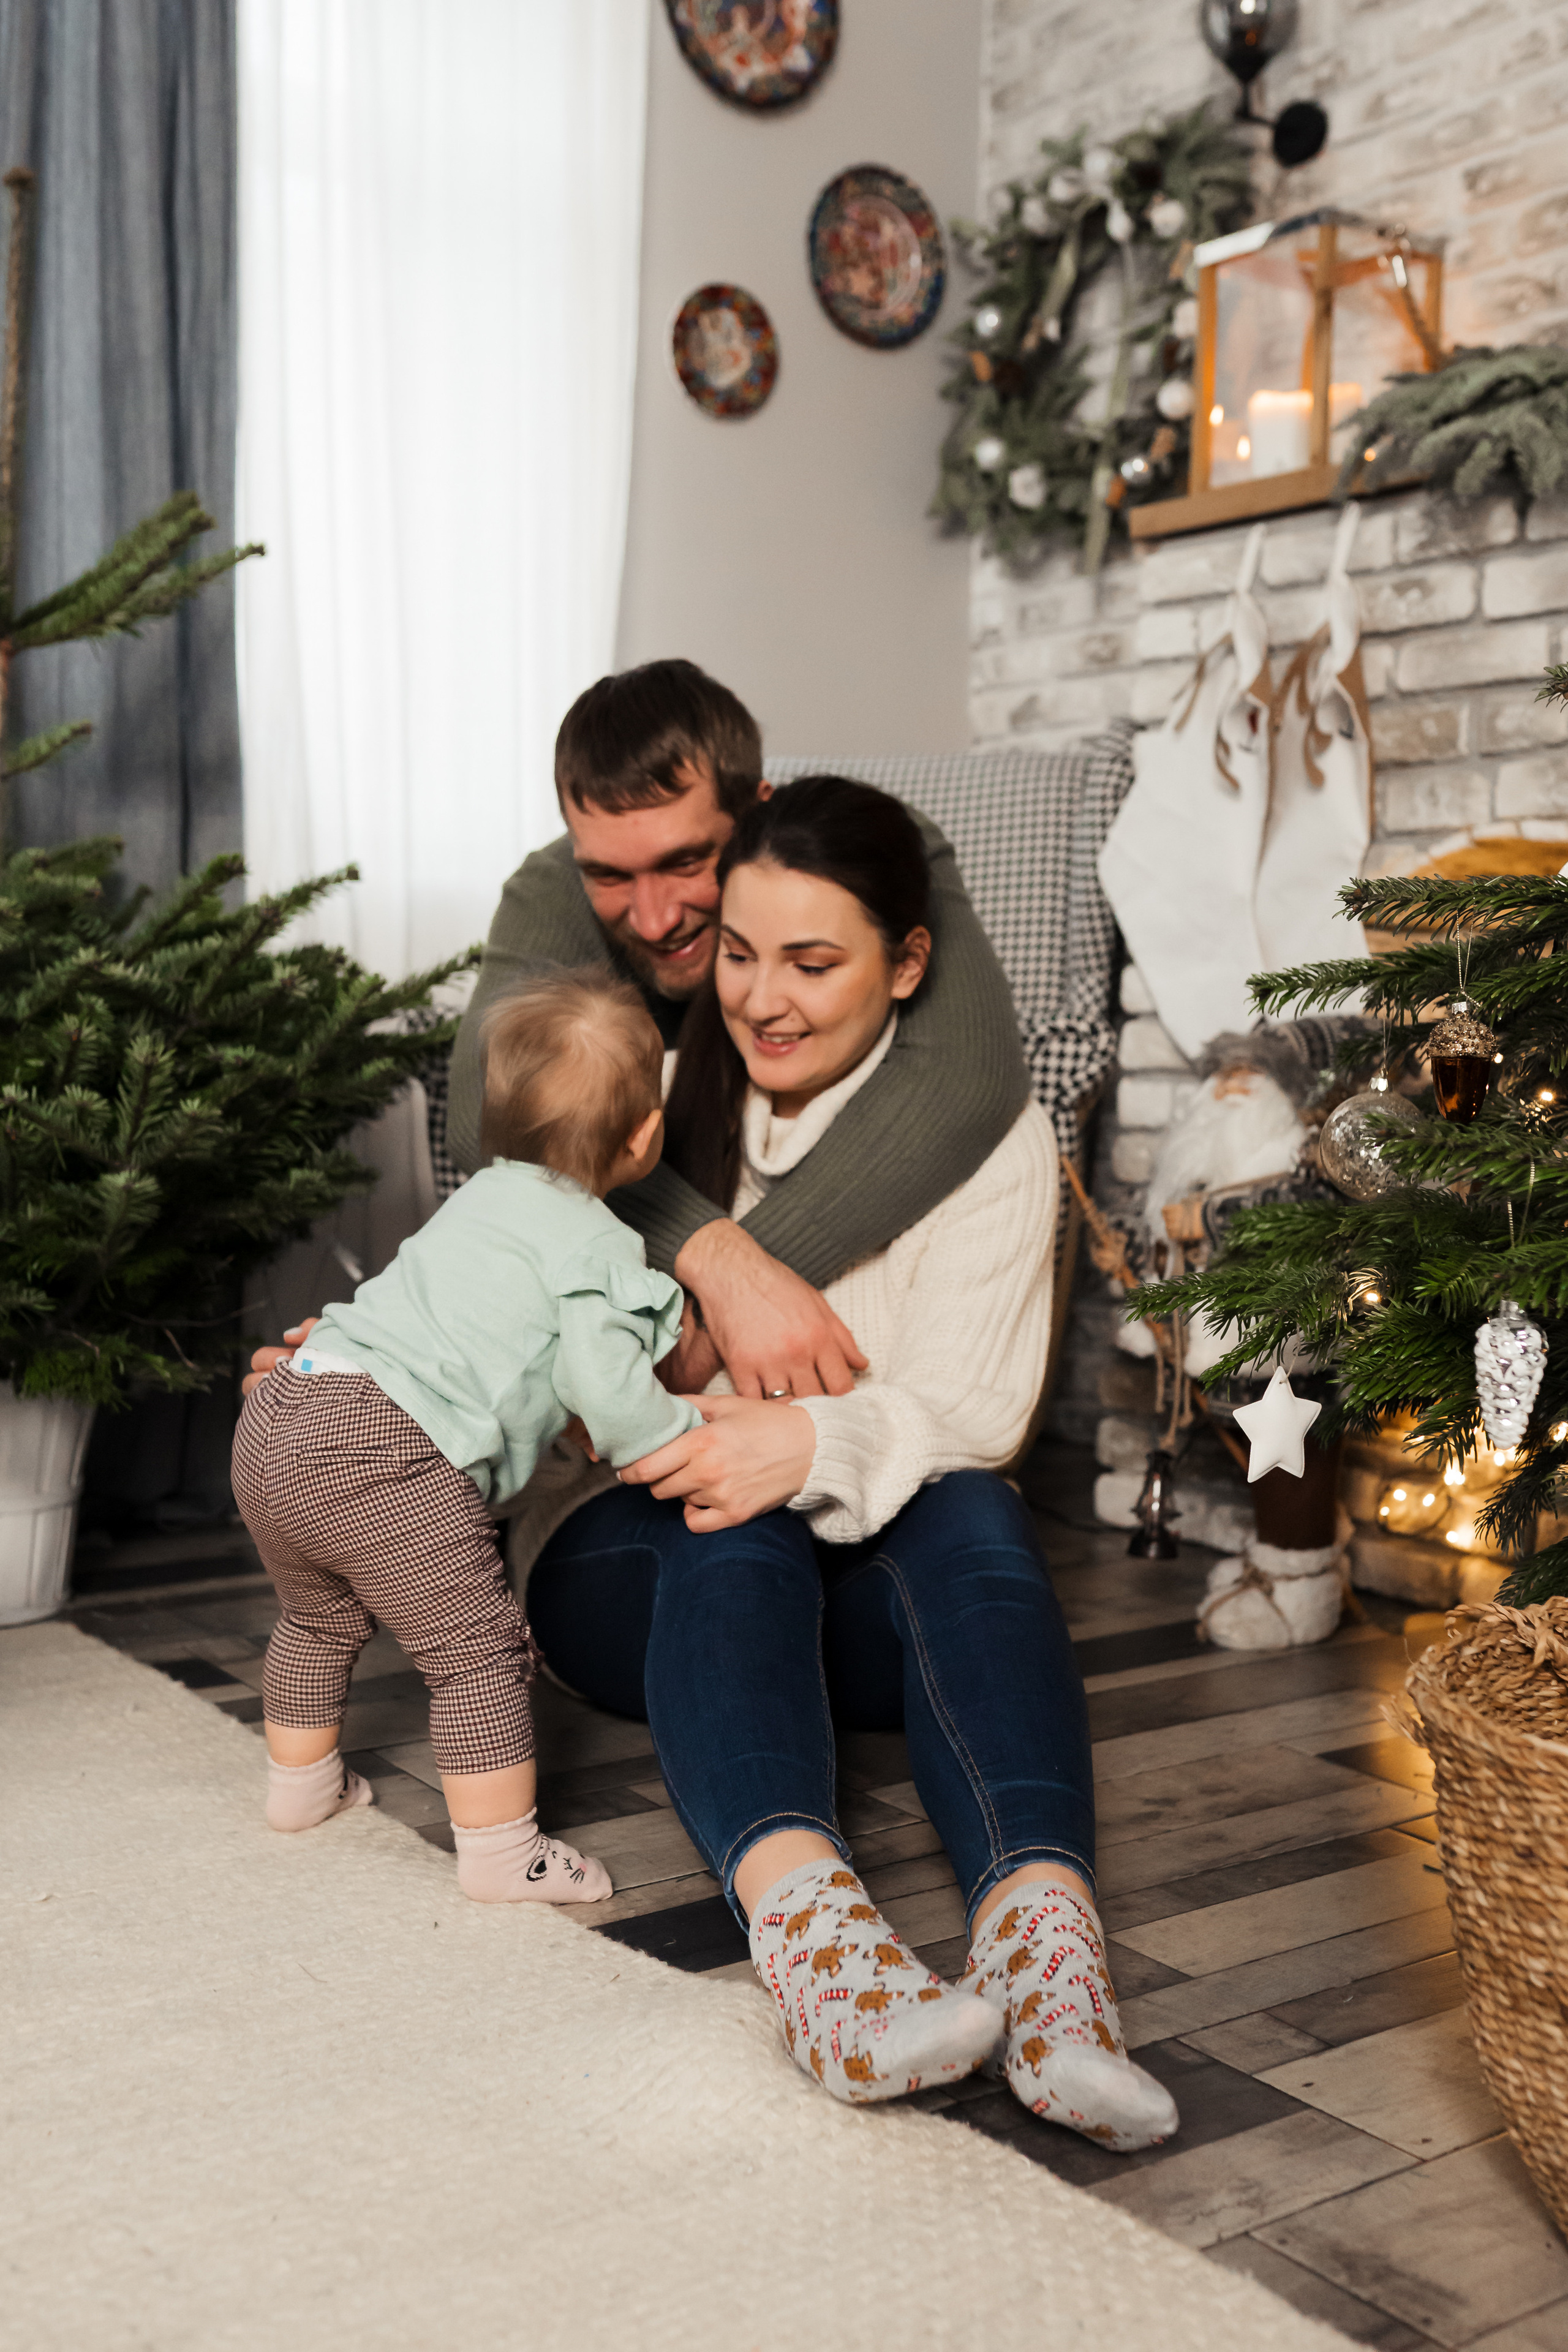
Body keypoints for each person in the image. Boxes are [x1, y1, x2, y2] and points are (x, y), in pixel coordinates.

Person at [519, 777, 1179, 2147]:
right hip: (632, 1574)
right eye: (741, 954)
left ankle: (1046, 1963)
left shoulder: (984, 1137)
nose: (762, 998)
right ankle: (822, 1954)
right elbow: (501, 1289)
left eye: (813, 963)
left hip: (858, 1605)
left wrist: (807, 1437)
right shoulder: (648, 1099)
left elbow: (979, 1407)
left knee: (975, 1509)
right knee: (733, 1504)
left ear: (908, 963)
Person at [232, 971, 701, 1909]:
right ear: (644, 1137)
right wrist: (675, 1428)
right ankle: (501, 1852)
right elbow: (605, 1389)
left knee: (318, 1617)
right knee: (478, 1652)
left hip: (282, 1410)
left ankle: (300, 1790)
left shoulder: (480, 1197)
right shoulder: (599, 1245)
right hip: (384, 1452)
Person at [445, 658, 1030, 1404]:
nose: (654, 920)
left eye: (686, 861)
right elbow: (486, 1117)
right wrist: (716, 1261)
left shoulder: (853, 851)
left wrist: (710, 1310)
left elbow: (971, 1072)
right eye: (610, 876)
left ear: (758, 808)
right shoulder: (551, 889)